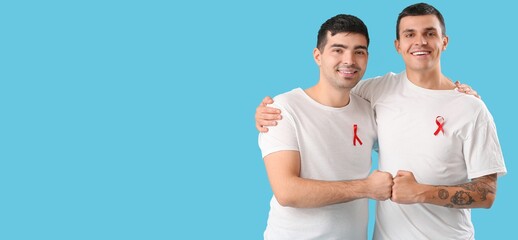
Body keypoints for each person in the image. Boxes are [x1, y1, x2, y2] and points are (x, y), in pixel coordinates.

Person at [256, 3, 507, 240]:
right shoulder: (376, 92)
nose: (420, 41)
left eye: (429, 33)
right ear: (398, 45)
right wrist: (268, 110)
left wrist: (422, 192)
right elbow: (329, 95)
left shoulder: (470, 108)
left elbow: (487, 193)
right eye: (410, 34)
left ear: (444, 41)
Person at [258, 14, 393, 240]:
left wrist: (455, 95)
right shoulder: (283, 109)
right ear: (318, 56)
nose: (349, 60)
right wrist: (366, 188)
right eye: (338, 50)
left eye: (359, 51)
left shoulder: (369, 110)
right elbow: (287, 191)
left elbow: (410, 139)